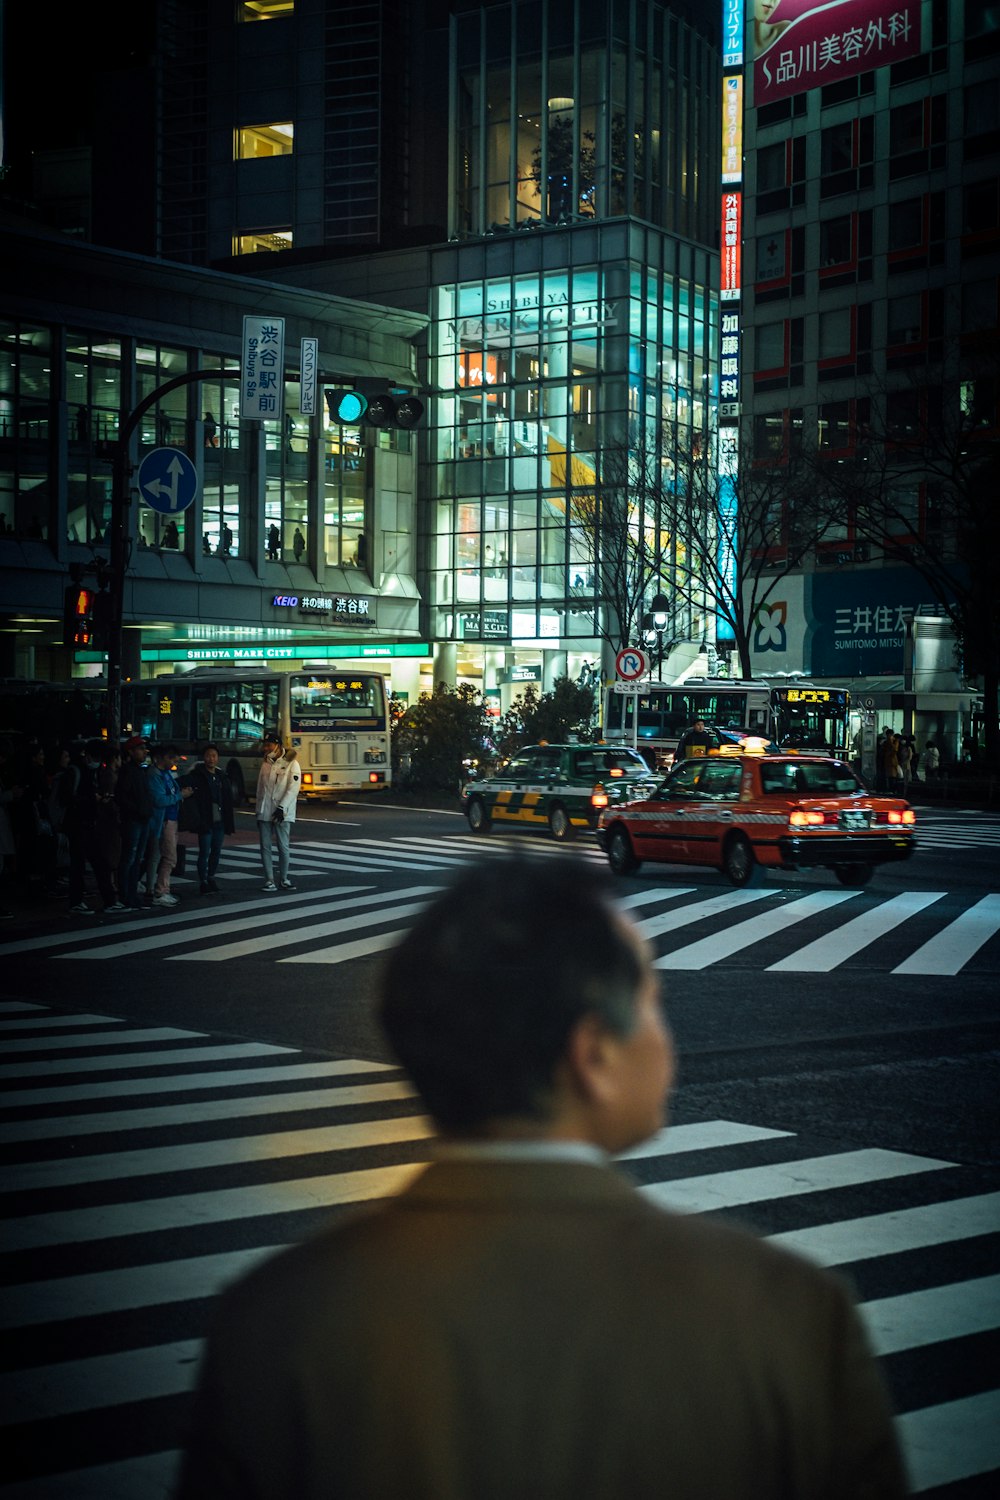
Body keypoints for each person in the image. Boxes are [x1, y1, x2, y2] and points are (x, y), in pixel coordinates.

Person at [177, 858, 907, 1500]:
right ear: (591, 1054)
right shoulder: (786, 1310)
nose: (664, 1033)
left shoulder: (270, 1323)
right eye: (652, 1003)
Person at [184, 743, 235, 894]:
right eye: (208, 756)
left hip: (219, 820)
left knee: (216, 851)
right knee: (204, 851)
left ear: (218, 758)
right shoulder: (197, 775)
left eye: (213, 756)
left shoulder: (221, 776)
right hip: (205, 820)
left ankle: (211, 877)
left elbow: (227, 800)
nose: (211, 759)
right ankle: (203, 881)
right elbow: (184, 783)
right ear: (203, 758)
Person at [255, 731, 301, 891]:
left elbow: (293, 789)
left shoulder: (292, 763)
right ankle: (269, 880)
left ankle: (284, 878)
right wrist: (258, 811)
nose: (266, 748)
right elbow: (260, 789)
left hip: (283, 812)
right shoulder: (266, 763)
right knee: (265, 847)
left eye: (269, 745)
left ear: (278, 745)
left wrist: (282, 808)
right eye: (265, 745)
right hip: (265, 811)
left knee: (283, 846)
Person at [115, 735, 154, 909]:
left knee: (136, 859)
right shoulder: (128, 771)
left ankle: (131, 894)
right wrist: (138, 810)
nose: (144, 752)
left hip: (142, 818)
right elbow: (122, 797)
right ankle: (126, 895)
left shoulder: (140, 770)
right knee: (130, 859)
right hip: (133, 820)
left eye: (144, 749)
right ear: (131, 752)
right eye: (140, 749)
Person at [146, 743, 187, 907]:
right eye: (172, 759)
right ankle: (161, 891)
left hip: (170, 818)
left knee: (160, 856)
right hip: (163, 820)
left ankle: (156, 889)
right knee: (169, 857)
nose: (173, 763)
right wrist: (180, 795)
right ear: (163, 757)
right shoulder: (155, 775)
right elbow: (159, 800)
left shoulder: (166, 773)